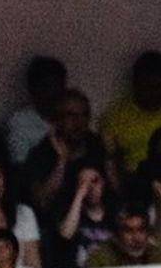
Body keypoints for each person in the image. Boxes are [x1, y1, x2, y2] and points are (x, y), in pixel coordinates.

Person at [99, 51, 161, 180]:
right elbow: (111, 161)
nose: (155, 93)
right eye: (148, 87)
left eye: (160, 87)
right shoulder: (115, 116)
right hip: (134, 185)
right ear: (136, 84)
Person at [25, 89, 111, 217]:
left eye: (84, 115)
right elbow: (41, 202)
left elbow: (118, 193)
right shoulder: (41, 153)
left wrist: (111, 157)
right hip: (57, 225)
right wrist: (61, 162)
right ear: (56, 121)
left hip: (98, 223)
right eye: (71, 116)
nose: (79, 122)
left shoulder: (98, 145)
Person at [4, 55, 67, 166]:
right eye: (47, 87)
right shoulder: (19, 122)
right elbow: (20, 165)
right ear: (33, 89)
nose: (54, 93)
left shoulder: (70, 116)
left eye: (58, 86)